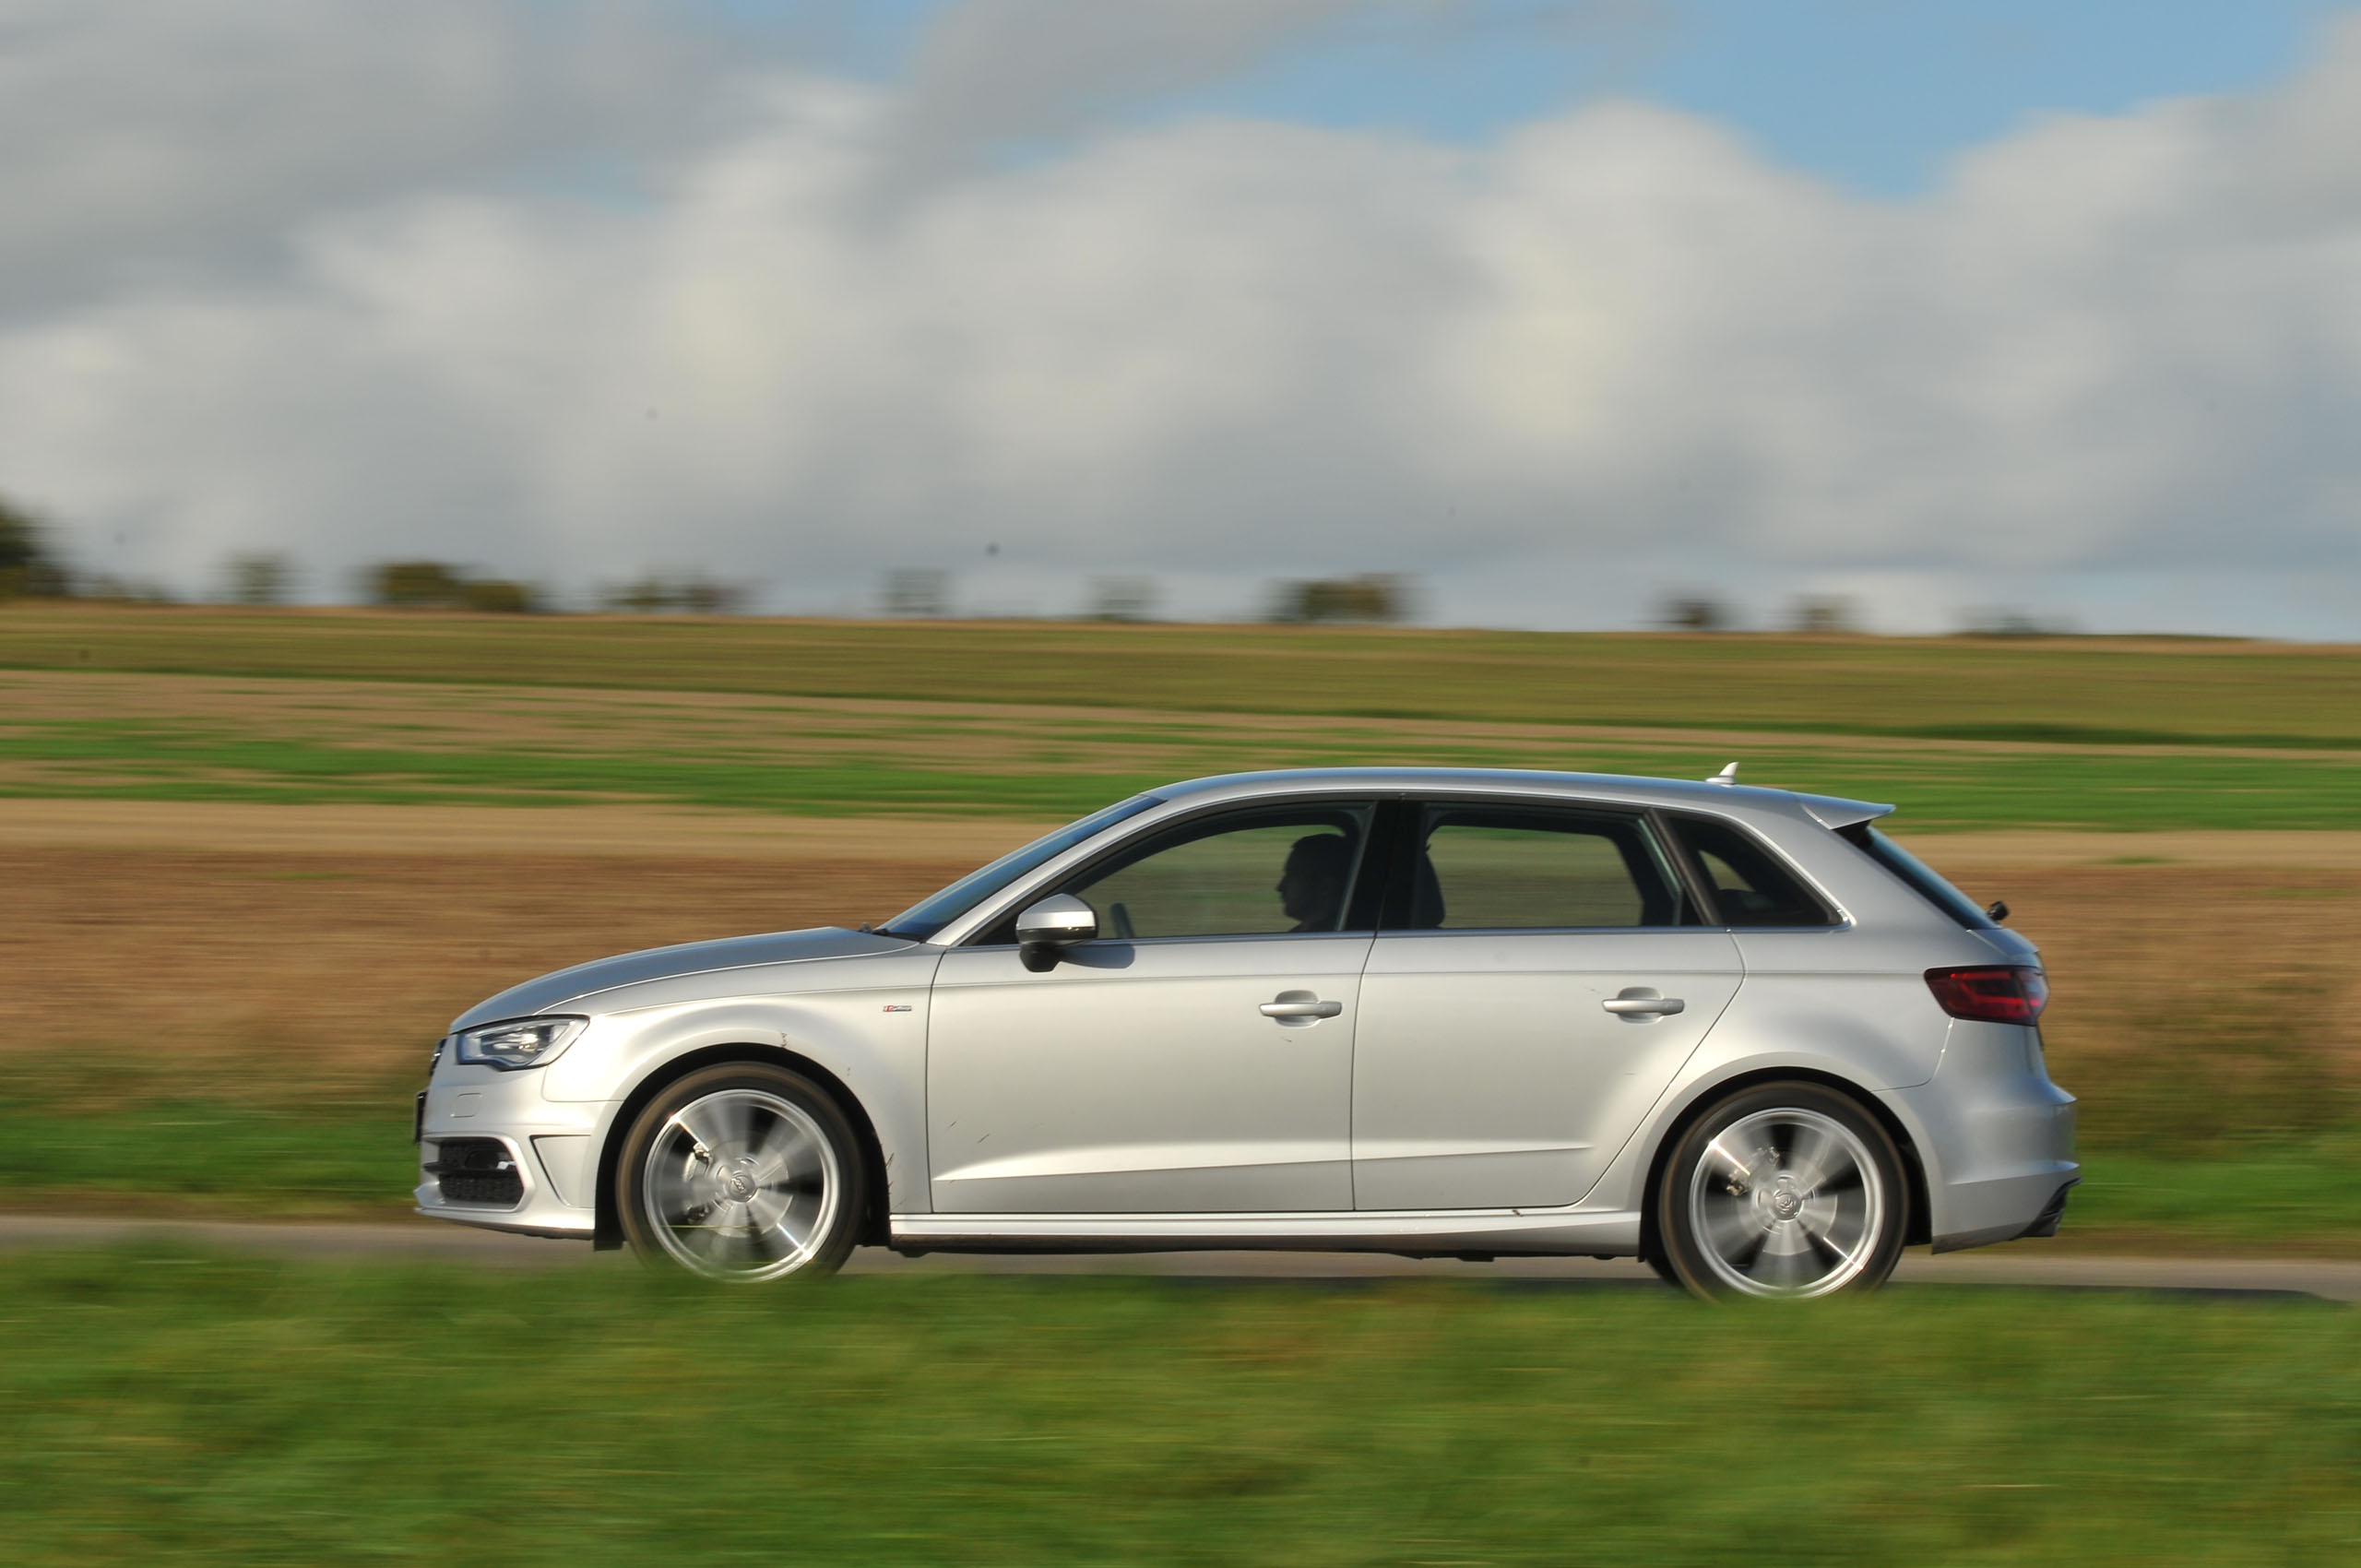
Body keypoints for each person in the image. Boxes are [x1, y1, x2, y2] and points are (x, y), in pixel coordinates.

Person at [1275, 832, 1355, 932]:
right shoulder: (1301, 934)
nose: (1279, 887)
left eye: (1294, 876)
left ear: (1326, 887)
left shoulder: (1327, 940)